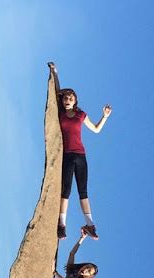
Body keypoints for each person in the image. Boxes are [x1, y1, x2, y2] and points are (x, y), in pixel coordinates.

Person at [48, 62, 112, 240]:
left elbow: (97, 130)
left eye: (70, 98)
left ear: (75, 101)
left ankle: (90, 225)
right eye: (65, 98)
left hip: (80, 156)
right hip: (67, 155)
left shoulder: (81, 115)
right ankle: (62, 225)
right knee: (66, 190)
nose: (67, 100)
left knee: (83, 191)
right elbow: (56, 90)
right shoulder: (60, 114)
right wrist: (55, 72)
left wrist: (105, 117)